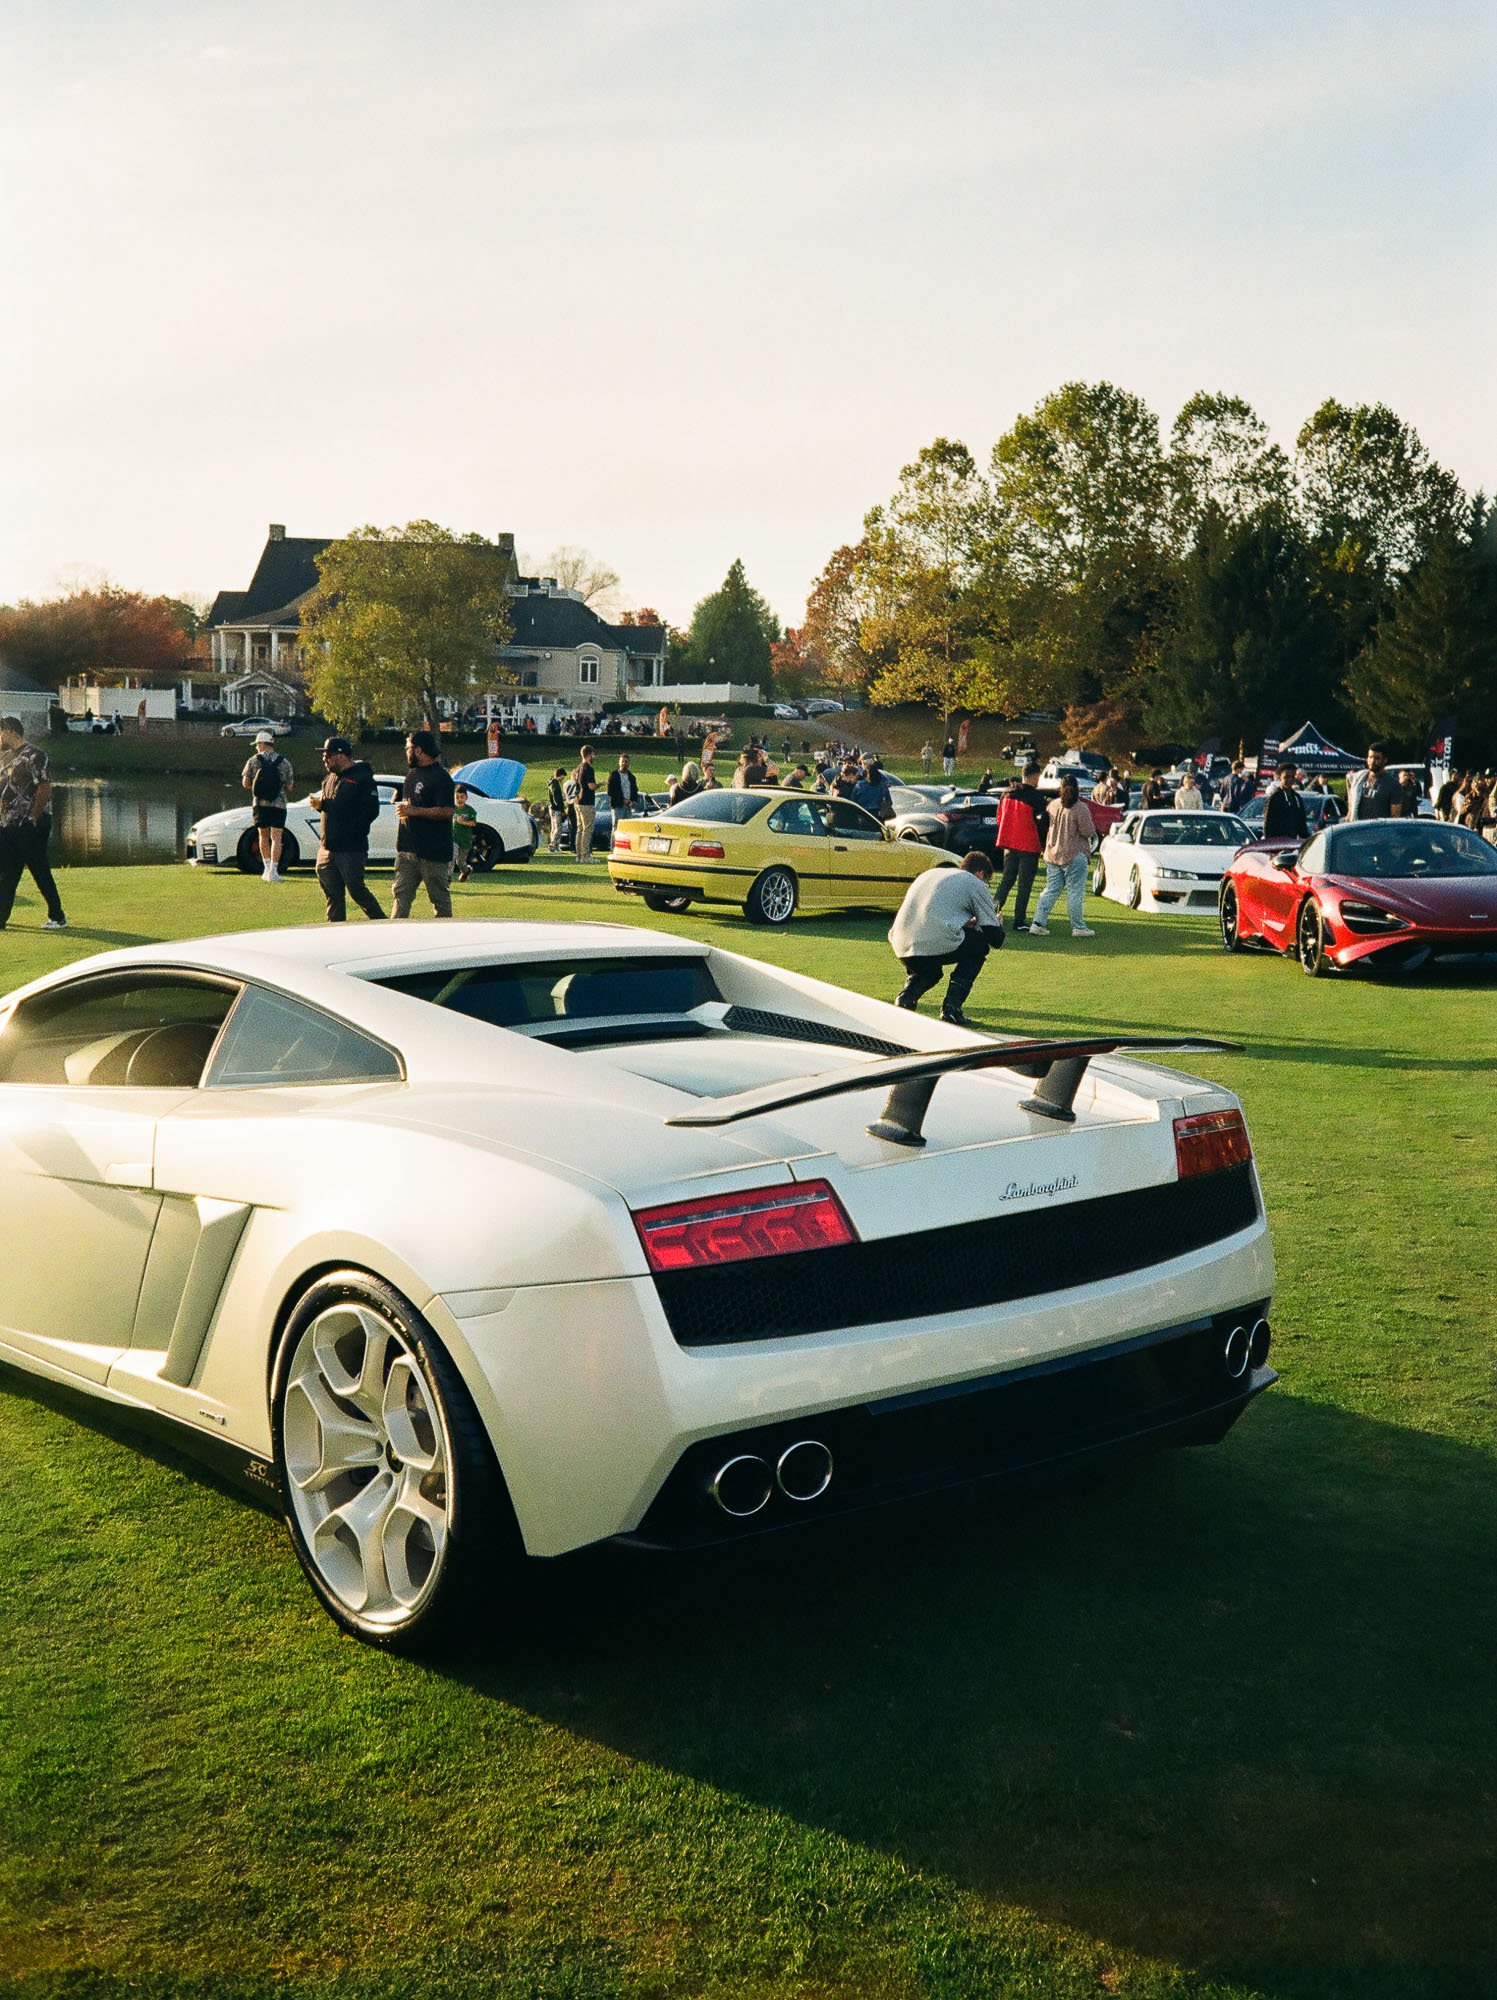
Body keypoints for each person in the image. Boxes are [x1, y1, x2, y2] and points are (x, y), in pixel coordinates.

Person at [889, 850, 1004, 1027]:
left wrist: (966, 923)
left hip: (900, 942)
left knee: (930, 971)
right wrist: (996, 924)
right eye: (986, 882)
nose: (985, 886)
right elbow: (995, 938)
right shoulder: (975, 883)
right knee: (979, 947)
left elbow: (935, 912)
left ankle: (905, 999)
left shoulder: (934, 873)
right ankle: (951, 1010)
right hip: (931, 940)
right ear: (981, 873)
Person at [306, 735, 384, 922]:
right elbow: (331, 807)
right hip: (327, 847)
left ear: (341, 756)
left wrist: (354, 829)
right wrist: (321, 805)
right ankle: (335, 929)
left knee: (356, 889)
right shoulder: (329, 779)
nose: (324, 759)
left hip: (351, 847)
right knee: (332, 894)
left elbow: (371, 810)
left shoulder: (362, 778)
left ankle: (382, 923)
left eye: (328, 755)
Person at [0, 714, 66, 931]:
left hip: (31, 824)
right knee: (9, 871)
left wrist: (33, 817)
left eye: (1, 731)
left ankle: (57, 916)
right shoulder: (7, 758)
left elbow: (44, 788)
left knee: (39, 868)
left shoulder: (35, 756)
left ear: (10, 731)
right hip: (9, 824)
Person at [393, 729, 455, 917]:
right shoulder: (411, 775)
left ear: (419, 750)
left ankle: (446, 939)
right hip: (407, 850)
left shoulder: (441, 777)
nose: (406, 751)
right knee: (400, 896)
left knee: (439, 900)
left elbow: (447, 811)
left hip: (433, 852)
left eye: (408, 747)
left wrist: (415, 811)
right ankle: (393, 938)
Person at [1028, 774, 1096, 938]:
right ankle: (1078, 927)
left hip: (1052, 853)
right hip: (1074, 854)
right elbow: (1088, 831)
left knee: (1050, 890)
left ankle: (1038, 922)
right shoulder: (1080, 808)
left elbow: (1044, 824)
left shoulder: (1053, 805)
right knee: (1074, 892)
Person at [241, 727, 294, 882]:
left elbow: (245, 783)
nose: (256, 747)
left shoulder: (253, 760)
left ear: (262, 744)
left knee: (263, 835)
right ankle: (275, 871)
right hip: (279, 804)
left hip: (260, 804)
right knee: (277, 837)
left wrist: (259, 786)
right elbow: (290, 787)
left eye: (257, 744)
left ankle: (266, 869)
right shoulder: (284, 762)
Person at [993, 774, 1042, 933]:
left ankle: (990, 913)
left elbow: (999, 819)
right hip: (1029, 844)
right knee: (1024, 885)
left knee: (1007, 880)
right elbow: (1042, 822)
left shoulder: (1006, 793)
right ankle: (1019, 920)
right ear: (1035, 776)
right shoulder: (1035, 796)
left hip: (1009, 842)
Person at [1345, 743, 1402, 820]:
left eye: (1377, 758)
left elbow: (1395, 817)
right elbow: (1351, 806)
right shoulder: (1358, 779)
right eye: (1370, 757)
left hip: (1378, 829)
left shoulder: (1393, 785)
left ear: (1385, 760)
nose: (1372, 761)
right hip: (1358, 828)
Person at [1261, 762, 1308, 841]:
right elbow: (1268, 825)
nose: (1290, 780)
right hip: (1278, 844)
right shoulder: (1274, 798)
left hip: (1292, 843)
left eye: (1292, 777)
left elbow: (1302, 824)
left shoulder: (1296, 798)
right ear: (1280, 778)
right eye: (1286, 777)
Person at [570, 743, 599, 860]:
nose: (594, 757)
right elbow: (591, 786)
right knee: (587, 829)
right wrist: (600, 784)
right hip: (587, 802)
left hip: (577, 802)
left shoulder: (578, 768)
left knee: (580, 829)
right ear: (589, 755)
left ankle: (579, 855)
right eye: (593, 754)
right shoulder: (588, 769)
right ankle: (586, 855)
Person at [852, 756, 894, 821]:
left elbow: (853, 801)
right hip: (879, 816)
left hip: (863, 815)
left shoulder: (859, 785)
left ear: (865, 775)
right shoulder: (882, 785)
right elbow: (889, 801)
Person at [452, 784, 479, 881]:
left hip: (465, 840)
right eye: (457, 797)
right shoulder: (453, 809)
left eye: (462, 797)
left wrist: (463, 822)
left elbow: (473, 823)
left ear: (466, 798)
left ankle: (466, 870)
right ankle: (447, 878)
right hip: (454, 837)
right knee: (452, 856)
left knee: (460, 862)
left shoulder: (470, 810)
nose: (459, 800)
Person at [607, 754, 640, 821]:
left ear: (628, 763)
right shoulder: (614, 775)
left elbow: (635, 791)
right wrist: (622, 800)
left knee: (628, 827)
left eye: (626, 761)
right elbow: (610, 791)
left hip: (628, 807)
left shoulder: (631, 777)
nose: (624, 763)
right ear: (619, 762)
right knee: (617, 827)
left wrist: (634, 801)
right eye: (622, 761)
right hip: (618, 806)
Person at [545, 766, 568, 852]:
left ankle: (555, 847)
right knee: (558, 829)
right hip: (556, 809)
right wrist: (562, 809)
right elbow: (557, 798)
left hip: (552, 808)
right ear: (560, 775)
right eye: (563, 776)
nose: (563, 778)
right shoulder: (555, 784)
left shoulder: (551, 783)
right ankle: (552, 847)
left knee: (554, 828)